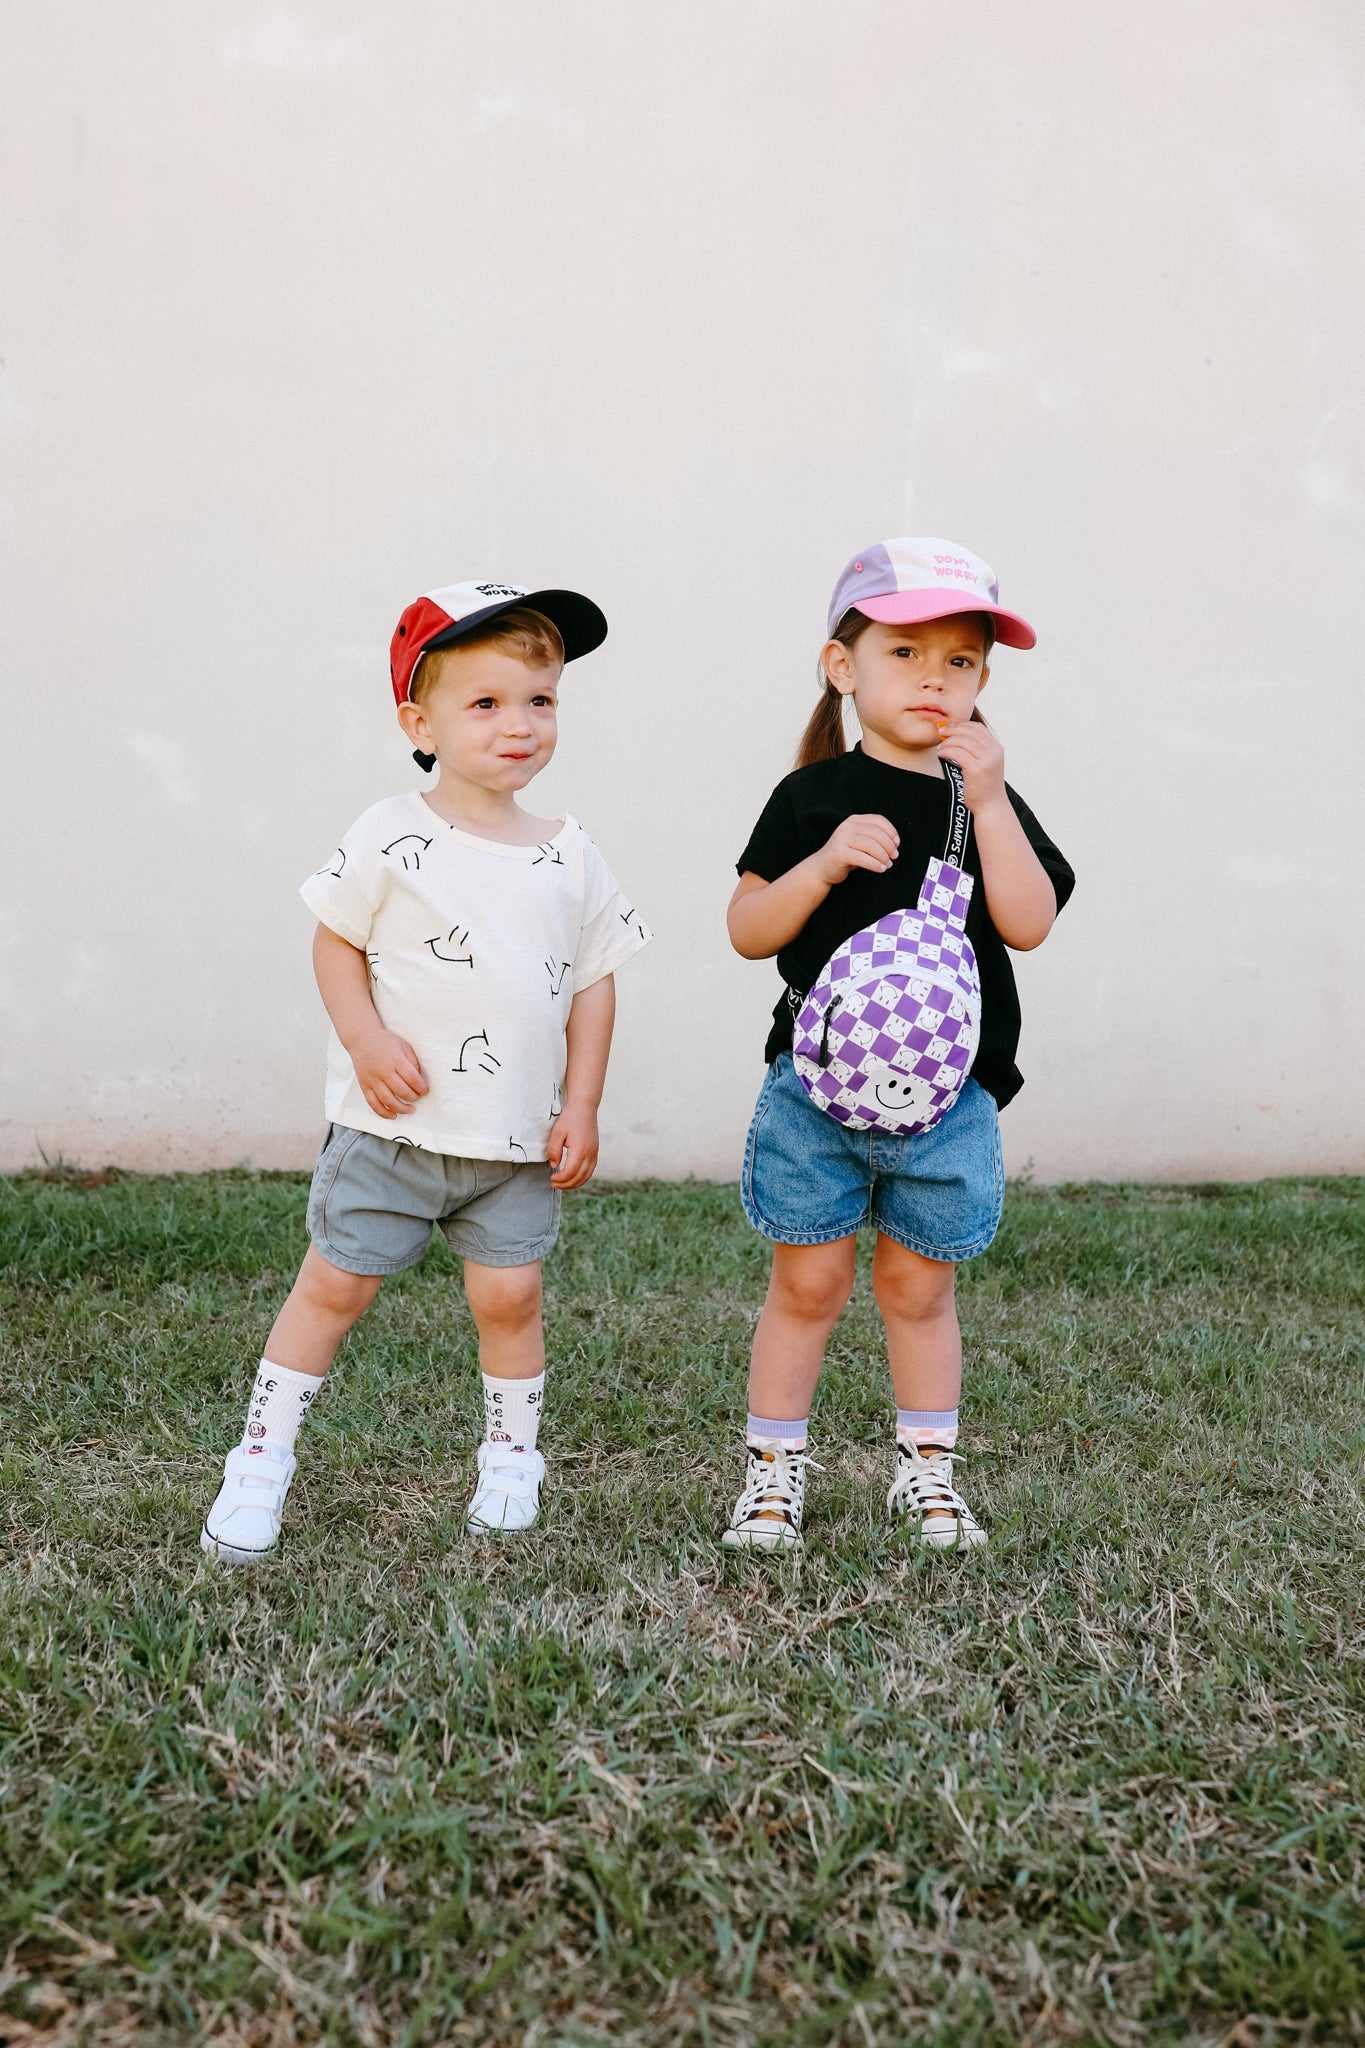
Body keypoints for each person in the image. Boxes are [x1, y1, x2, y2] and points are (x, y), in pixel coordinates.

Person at [201, 580, 650, 1561]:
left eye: (540, 698)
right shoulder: (389, 833)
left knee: (511, 1298)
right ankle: (261, 1456)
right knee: (333, 1288)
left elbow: (595, 983)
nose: (519, 724)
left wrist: (582, 1102)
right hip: (390, 1130)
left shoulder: (571, 853)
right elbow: (334, 944)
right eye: (485, 703)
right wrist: (365, 1039)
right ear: (422, 719)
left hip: (513, 1139)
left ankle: (510, 1457)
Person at [722, 538, 1073, 1553]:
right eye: (906, 652)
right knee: (808, 1284)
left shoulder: (984, 797)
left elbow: (1029, 919)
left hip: (947, 1102)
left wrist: (996, 801)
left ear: (983, 684)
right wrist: (823, 866)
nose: (934, 677)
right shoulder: (812, 797)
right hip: (816, 1098)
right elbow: (747, 928)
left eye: (959, 661)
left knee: (921, 1289)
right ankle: (773, 1477)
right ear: (845, 668)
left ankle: (926, 1479)